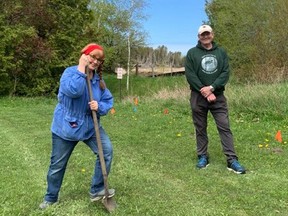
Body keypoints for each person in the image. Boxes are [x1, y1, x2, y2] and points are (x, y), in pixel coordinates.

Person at [39, 43, 115, 209]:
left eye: (99, 60)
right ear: (84, 55)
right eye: (92, 57)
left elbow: (108, 100)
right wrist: (82, 68)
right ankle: (50, 198)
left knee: (106, 152)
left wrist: (99, 106)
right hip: (66, 126)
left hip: (90, 125)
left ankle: (97, 189)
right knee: (57, 165)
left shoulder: (98, 80)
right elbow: (74, 91)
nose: (95, 61)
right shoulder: (70, 73)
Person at [185, 25, 246, 174]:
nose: (205, 36)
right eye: (202, 35)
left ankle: (232, 160)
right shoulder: (192, 53)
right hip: (198, 97)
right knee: (200, 128)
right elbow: (190, 75)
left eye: (208, 34)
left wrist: (212, 88)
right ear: (198, 37)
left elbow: (225, 73)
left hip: (218, 97)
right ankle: (202, 156)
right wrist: (205, 92)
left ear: (212, 34)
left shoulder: (221, 52)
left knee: (224, 127)